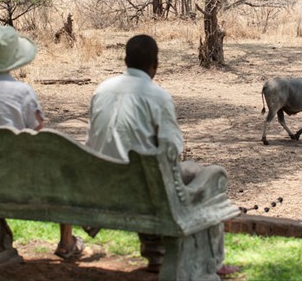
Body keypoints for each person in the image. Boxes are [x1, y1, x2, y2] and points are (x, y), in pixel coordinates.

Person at [86, 34, 239, 276]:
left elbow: (93, 140)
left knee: (145, 167)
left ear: (125, 60)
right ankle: (213, 262)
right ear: (154, 65)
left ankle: (156, 252)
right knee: (205, 175)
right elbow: (172, 150)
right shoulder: (157, 96)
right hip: (141, 189)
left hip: (99, 185)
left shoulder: (102, 89)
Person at [0, 25, 82, 260]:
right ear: (15, 58)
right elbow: (38, 132)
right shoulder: (22, 91)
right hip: (19, 179)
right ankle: (67, 241)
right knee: (64, 166)